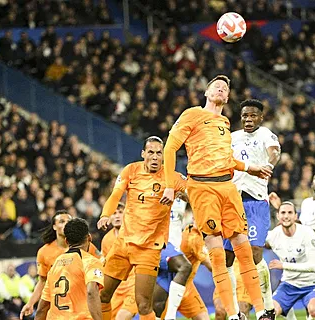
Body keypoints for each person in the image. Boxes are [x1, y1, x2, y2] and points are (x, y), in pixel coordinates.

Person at [161, 75, 272, 320]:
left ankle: (263, 310)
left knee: (243, 250)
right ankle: (232, 314)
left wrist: (250, 167)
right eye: (216, 86)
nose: (221, 88)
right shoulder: (192, 114)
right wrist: (170, 185)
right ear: (207, 92)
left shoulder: (224, 122)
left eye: (225, 88)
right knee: (218, 254)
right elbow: (169, 148)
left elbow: (227, 159)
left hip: (228, 188)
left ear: (228, 97)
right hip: (203, 189)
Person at [97, 136, 188, 320]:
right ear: (143, 154)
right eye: (151, 152)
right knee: (103, 295)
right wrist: (105, 214)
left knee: (144, 304)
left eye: (159, 153)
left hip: (149, 248)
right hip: (123, 244)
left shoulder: (173, 178)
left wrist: (185, 196)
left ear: (164, 156)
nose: (155, 157)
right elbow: (116, 195)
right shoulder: (131, 170)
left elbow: (195, 196)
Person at [227, 98, 281, 318]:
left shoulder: (266, 134)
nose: (248, 119)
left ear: (260, 117)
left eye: (252, 115)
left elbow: (274, 152)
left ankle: (267, 307)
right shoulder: (232, 138)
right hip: (232, 201)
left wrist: (268, 165)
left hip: (256, 201)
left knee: (255, 253)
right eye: (245, 116)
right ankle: (234, 313)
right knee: (227, 257)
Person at [20, 210, 100, 319]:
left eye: (69, 221)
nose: (66, 223)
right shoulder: (44, 252)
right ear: (54, 226)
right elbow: (42, 281)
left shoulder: (88, 249)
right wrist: (30, 303)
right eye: (62, 221)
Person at [265, 202, 315, 320]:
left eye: (290, 213)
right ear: (278, 216)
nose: (286, 216)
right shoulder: (273, 235)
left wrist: (283, 265)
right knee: (269, 315)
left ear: (296, 216)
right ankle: (289, 315)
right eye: (283, 213)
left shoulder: (307, 233)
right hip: (289, 284)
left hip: (311, 284)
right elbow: (255, 242)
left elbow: (313, 266)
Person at [153, 225, 211, 320]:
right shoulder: (194, 237)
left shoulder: (192, 233)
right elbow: (212, 266)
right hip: (170, 284)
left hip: (188, 286)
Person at [100, 203, 137, 320]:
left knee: (121, 318)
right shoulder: (106, 240)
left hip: (133, 284)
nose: (117, 216)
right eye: (114, 213)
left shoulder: (135, 234)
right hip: (116, 287)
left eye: (120, 212)